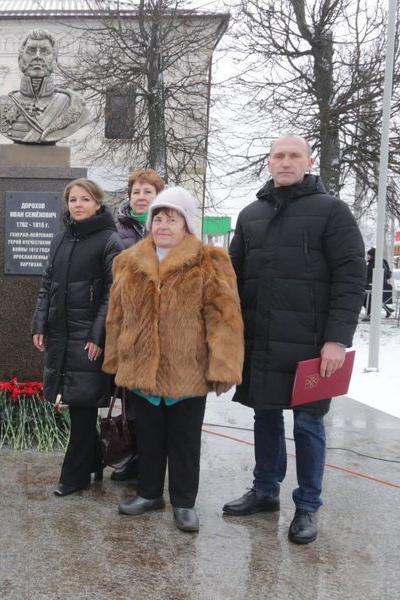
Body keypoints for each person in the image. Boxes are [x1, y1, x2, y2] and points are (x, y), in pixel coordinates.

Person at [223, 134, 365, 545]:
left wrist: (337, 339)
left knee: (307, 424)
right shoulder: (250, 215)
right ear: (269, 162)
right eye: (278, 156)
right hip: (262, 339)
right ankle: (266, 490)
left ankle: (307, 505)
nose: (285, 162)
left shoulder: (333, 212)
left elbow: (350, 278)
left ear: (308, 161)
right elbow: (232, 279)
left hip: (311, 345)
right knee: (264, 416)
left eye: (294, 156)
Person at [103, 187, 244, 532]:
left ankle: (184, 502)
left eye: (172, 217)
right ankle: (149, 493)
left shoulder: (210, 260)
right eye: (158, 217)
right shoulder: (128, 261)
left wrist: (223, 365)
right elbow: (116, 316)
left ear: (186, 224)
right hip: (142, 366)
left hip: (187, 369)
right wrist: (115, 359)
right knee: (148, 436)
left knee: (184, 438)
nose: (163, 224)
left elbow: (224, 316)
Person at [31, 178, 123, 496]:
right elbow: (47, 284)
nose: (78, 205)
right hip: (61, 333)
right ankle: (94, 461)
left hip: (88, 336)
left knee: (83, 405)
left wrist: (99, 335)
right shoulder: (61, 239)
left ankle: (74, 475)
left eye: (85, 199)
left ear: (98, 203)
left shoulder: (110, 240)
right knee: (74, 402)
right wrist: (39, 324)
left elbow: (114, 293)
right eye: (73, 200)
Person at [111, 167, 166, 482]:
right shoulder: (117, 230)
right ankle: (133, 456)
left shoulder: (171, 227)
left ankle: (156, 459)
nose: (142, 197)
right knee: (131, 394)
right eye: (137, 192)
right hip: (129, 323)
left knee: (158, 396)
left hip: (163, 326)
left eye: (148, 191)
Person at [0, 29, 91, 143]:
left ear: (55, 61)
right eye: (31, 51)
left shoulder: (72, 106)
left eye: (45, 51)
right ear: (20, 60)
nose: (37, 56)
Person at [362, 247, 394, 320]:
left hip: (375, 285)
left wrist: (372, 283)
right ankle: (388, 310)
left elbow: (380, 275)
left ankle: (369, 315)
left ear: (373, 255)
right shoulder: (374, 262)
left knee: (368, 298)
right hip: (374, 284)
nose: (367, 256)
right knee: (373, 299)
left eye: (369, 255)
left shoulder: (378, 263)